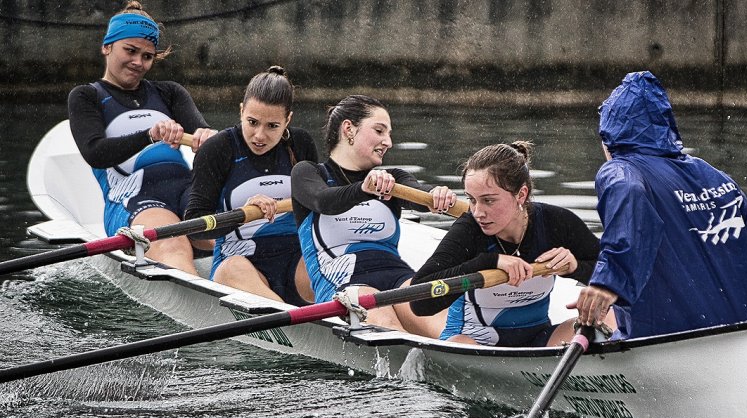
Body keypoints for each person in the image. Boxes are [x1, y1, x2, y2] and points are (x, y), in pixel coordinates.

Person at [568, 71, 747, 339]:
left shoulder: (621, 170)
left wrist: (609, 282)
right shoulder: (713, 175)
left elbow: (630, 196)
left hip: (666, 338)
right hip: (740, 328)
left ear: (609, 135)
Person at [67, 1, 216, 275]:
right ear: (107, 46)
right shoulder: (86, 96)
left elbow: (202, 138)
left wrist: (209, 140)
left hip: (188, 193)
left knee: (239, 237)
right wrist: (150, 135)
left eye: (147, 56)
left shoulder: (170, 92)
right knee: (172, 245)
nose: (138, 62)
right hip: (134, 201)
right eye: (131, 51)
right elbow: (95, 153)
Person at [291, 95, 457, 337]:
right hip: (342, 285)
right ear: (349, 129)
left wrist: (436, 196)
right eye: (379, 131)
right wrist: (363, 189)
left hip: (399, 278)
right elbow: (323, 201)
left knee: (445, 327)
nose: (388, 142)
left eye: (389, 134)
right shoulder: (307, 173)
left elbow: (419, 197)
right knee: (387, 324)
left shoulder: (394, 178)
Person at [410, 141, 605, 347]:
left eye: (489, 200)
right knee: (462, 343)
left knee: (600, 321)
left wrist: (575, 267)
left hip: (538, 339)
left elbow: (615, 273)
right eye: (472, 200)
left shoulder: (554, 222)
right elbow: (419, 302)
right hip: (472, 341)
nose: (478, 212)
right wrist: (487, 262)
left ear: (521, 194)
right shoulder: (468, 230)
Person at [184, 66, 318, 304]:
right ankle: (287, 316)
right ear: (241, 110)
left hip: (296, 261)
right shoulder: (217, 149)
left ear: (288, 120)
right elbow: (194, 226)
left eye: (272, 126)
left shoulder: (301, 144)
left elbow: (317, 212)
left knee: (328, 260)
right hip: (240, 264)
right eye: (252, 122)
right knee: (233, 267)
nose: (259, 135)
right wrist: (242, 214)